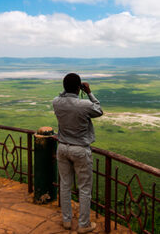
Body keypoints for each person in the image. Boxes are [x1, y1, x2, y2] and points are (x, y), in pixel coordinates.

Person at [53, 73, 103, 233]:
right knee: (84, 188)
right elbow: (99, 110)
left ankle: (67, 221)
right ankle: (83, 224)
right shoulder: (84, 105)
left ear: (64, 87)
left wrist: (68, 90)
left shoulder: (56, 102)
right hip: (80, 149)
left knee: (65, 185)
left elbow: (61, 95)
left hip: (62, 147)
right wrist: (88, 92)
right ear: (78, 87)